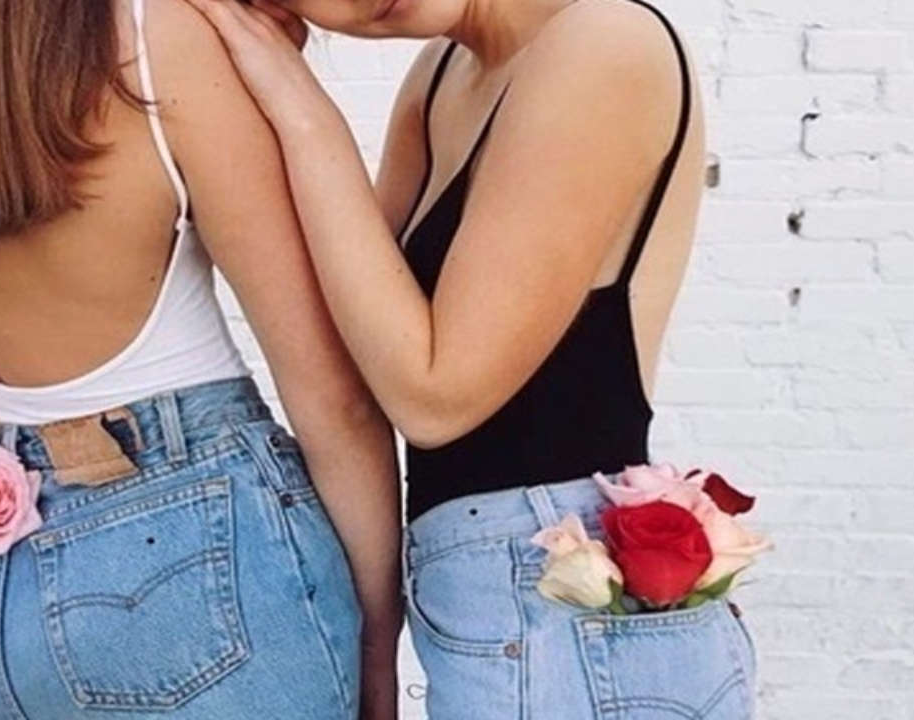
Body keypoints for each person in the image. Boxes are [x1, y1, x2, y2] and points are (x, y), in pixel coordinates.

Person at [0, 1, 400, 718]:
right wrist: (375, 645)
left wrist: (5, 412)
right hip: (198, 574)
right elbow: (332, 402)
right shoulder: (153, 38)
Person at [188, 0, 757, 717]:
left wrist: (303, 110)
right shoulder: (440, 77)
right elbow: (357, 349)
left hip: (572, 615)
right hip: (498, 606)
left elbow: (435, 399)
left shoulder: (604, 41)